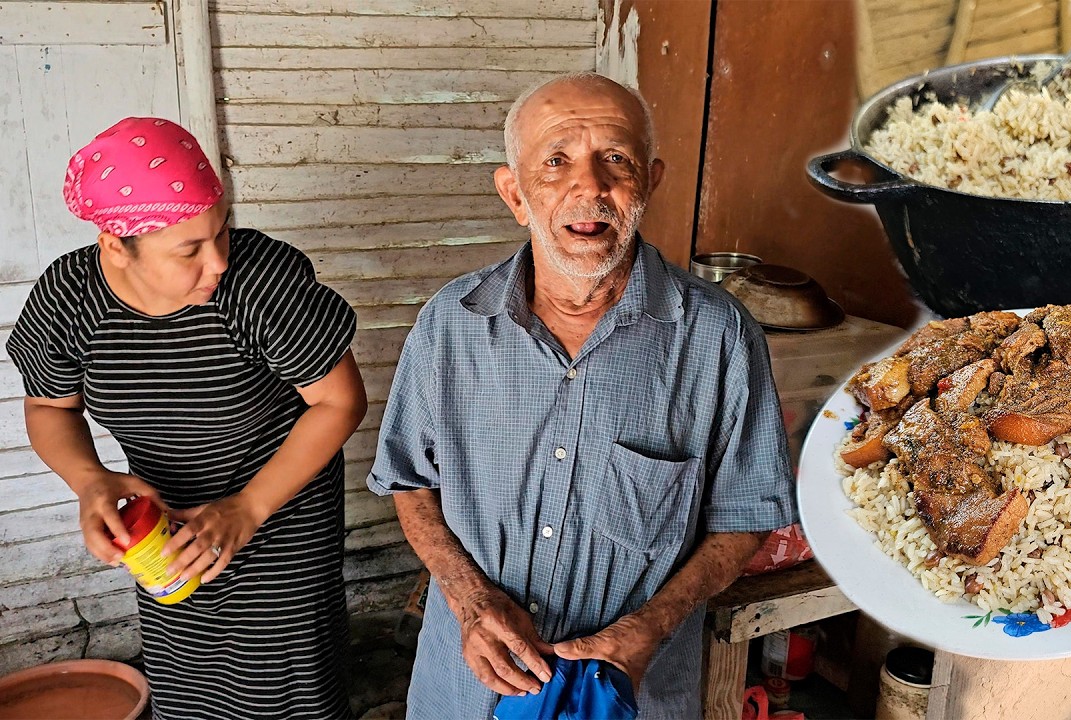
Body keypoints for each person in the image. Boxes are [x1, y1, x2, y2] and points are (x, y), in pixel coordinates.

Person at [367, 72, 796, 718]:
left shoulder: (719, 338)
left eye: (615, 160)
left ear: (650, 182)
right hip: (466, 692)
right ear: (515, 193)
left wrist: (650, 627)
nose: (589, 186)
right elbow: (408, 480)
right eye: (557, 161)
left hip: (633, 691)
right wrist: (468, 599)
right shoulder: (449, 324)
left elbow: (745, 514)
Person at [6, 117, 367, 719]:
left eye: (222, 231)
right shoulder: (69, 299)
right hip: (164, 526)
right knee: (190, 687)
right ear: (115, 247)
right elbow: (49, 407)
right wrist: (90, 480)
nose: (219, 259)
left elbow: (338, 401)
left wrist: (247, 509)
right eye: (190, 249)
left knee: (285, 690)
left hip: (279, 518)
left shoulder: (261, 280)